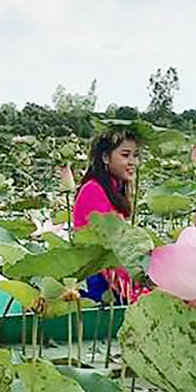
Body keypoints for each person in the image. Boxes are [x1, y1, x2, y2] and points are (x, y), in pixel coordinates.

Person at [71, 128, 150, 304]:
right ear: (106, 157)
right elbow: (110, 250)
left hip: (112, 275)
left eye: (135, 156)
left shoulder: (113, 190)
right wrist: (136, 291)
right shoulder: (93, 190)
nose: (132, 162)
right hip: (96, 280)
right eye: (125, 155)